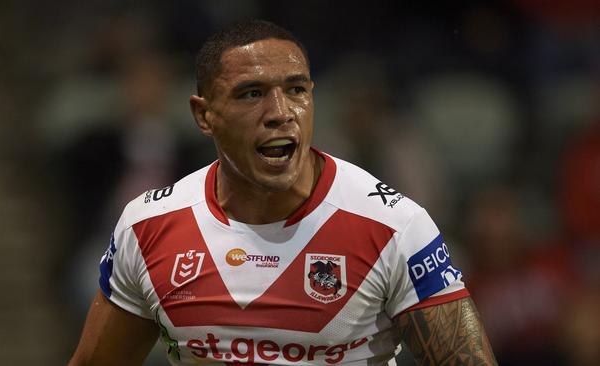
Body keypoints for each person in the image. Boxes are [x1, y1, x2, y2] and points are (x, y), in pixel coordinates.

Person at [69, 19, 497, 366]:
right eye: (251, 94)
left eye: (296, 90)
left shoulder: (395, 227)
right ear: (204, 115)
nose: (280, 114)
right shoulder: (147, 227)